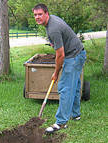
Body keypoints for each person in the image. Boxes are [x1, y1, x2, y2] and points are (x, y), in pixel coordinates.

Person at [32, 4, 86, 133]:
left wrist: (56, 73)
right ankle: (75, 114)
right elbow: (61, 37)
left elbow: (60, 55)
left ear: (46, 13)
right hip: (79, 53)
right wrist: (54, 42)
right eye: (35, 15)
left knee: (65, 88)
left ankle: (61, 122)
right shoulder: (51, 21)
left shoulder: (53, 28)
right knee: (75, 86)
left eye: (40, 14)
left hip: (73, 56)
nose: (37, 17)